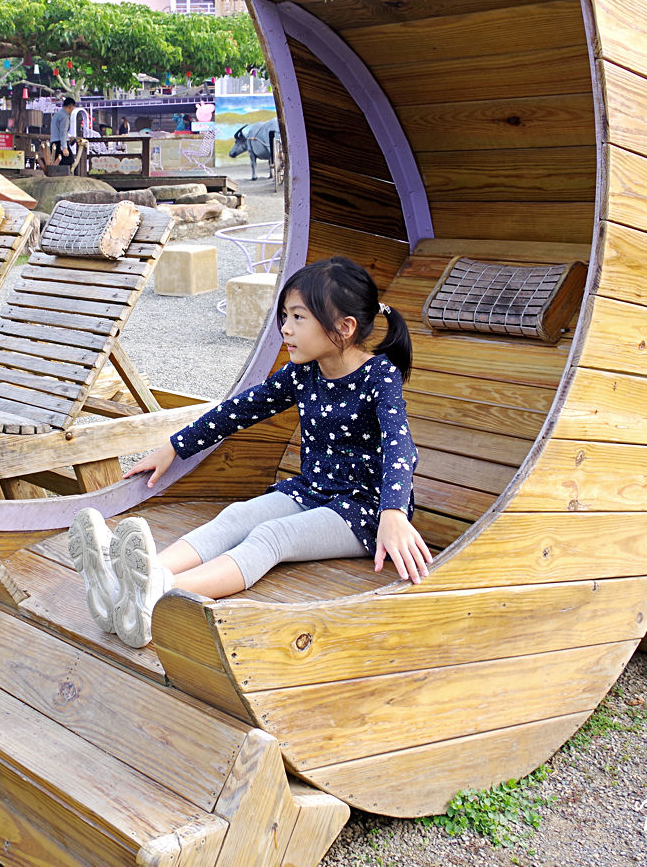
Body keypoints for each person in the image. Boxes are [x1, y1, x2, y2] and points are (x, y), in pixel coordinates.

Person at [69, 256, 429, 648]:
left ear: (344, 328)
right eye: (285, 316)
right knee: (238, 516)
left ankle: (158, 596)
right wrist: (175, 446)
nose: (285, 329)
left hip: (366, 511)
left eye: (298, 318)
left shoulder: (379, 376)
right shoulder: (303, 372)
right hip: (311, 491)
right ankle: (123, 579)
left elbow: (400, 448)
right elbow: (240, 410)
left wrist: (393, 512)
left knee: (271, 536)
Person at [49, 96, 77, 165]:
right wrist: (64, 147)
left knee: (57, 166)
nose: (72, 110)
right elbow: (63, 133)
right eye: (72, 108)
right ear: (70, 106)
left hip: (54, 143)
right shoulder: (64, 116)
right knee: (70, 164)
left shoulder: (57, 114)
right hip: (60, 143)